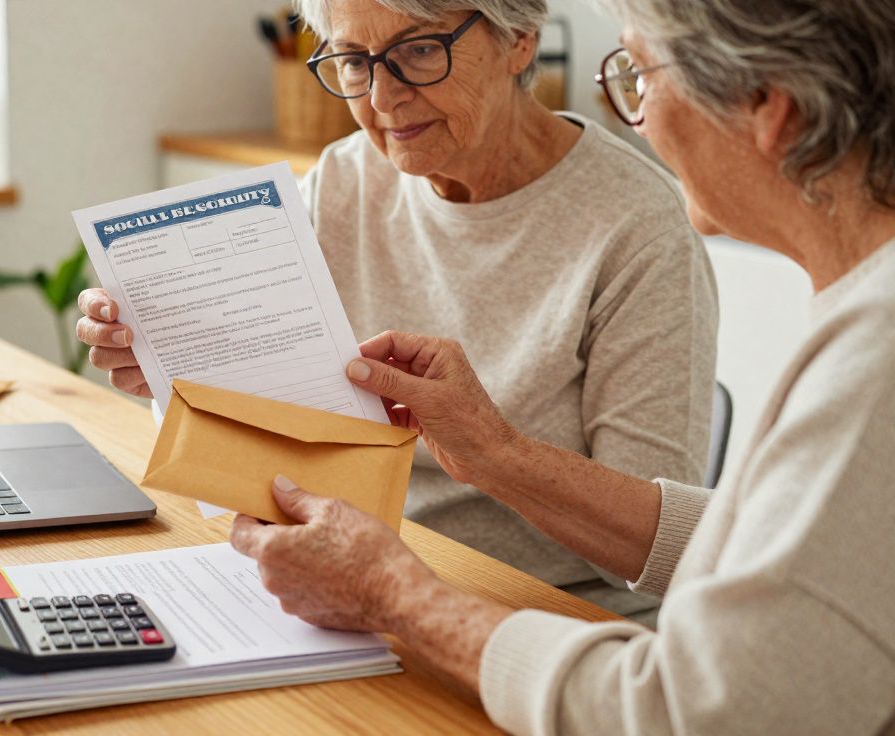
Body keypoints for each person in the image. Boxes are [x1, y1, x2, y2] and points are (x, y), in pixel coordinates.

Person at [229, 0, 895, 732]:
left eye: (640, 74)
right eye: (355, 62)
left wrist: (396, 594)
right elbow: (769, 554)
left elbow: (695, 714)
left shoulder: (872, 355)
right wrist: (492, 456)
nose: (633, 115)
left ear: (767, 106)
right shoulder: (860, 323)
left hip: (543, 640)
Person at [76, 0, 718, 621]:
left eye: (419, 49)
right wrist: (170, 361)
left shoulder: (639, 227)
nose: (383, 97)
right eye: (355, 60)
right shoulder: (345, 179)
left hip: (547, 616)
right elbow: (277, 410)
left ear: (519, 38)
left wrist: (495, 453)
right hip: (357, 576)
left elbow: (654, 550)